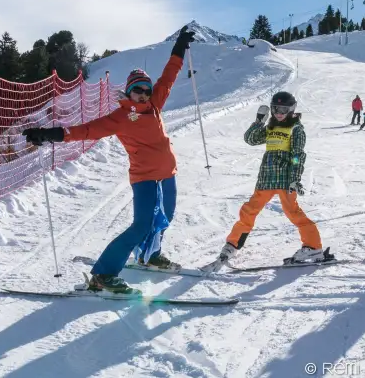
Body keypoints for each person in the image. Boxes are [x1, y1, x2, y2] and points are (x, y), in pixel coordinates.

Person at [21, 26, 196, 294]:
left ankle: (149, 255)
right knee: (140, 226)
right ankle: (103, 274)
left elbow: (169, 76)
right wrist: (49, 134)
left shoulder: (155, 104)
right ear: (128, 91)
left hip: (167, 174)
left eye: (146, 90)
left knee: (164, 218)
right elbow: (85, 130)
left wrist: (180, 46)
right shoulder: (121, 117)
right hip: (145, 179)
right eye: (138, 90)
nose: (144, 94)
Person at [205, 91, 329, 271]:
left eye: (283, 110)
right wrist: (258, 121)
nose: (279, 113)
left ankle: (313, 247)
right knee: (248, 211)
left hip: (285, 181)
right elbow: (250, 139)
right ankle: (233, 244)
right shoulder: (270, 127)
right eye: (276, 109)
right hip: (266, 180)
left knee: (293, 213)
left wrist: (295, 179)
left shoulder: (296, 129)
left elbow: (298, 156)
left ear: (292, 110)